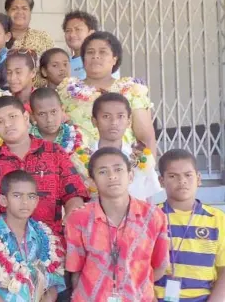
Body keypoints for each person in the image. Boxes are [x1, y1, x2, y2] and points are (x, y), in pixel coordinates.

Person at [0, 96, 88, 237]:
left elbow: (74, 193)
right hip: (6, 248)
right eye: (0, 122)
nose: (7, 124)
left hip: (52, 243)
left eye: (12, 117)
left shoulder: (54, 152)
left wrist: (72, 212)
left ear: (26, 117)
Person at [65, 147, 169, 301]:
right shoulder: (78, 218)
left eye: (118, 169)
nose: (112, 176)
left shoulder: (153, 217)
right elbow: (76, 270)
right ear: (91, 181)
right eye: (103, 172)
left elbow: (159, 266)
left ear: (131, 175)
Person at [0, 170, 66, 302]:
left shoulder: (45, 237)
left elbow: (52, 285)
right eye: (17, 196)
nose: (25, 202)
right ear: (3, 200)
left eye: (31, 196)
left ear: (37, 201)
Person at [57, 31, 156, 153]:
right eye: (90, 52)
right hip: (74, 166)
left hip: (121, 166)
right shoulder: (67, 90)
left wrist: (147, 170)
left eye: (102, 52)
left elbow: (146, 139)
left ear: (114, 59)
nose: (95, 56)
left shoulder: (131, 90)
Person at [154, 149, 225, 302]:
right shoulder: (151, 217)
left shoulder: (216, 219)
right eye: (173, 176)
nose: (182, 181)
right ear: (161, 181)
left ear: (198, 178)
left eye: (188, 175)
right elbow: (139, 268)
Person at [90, 92, 162, 201]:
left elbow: (148, 198)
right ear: (94, 121)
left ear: (129, 121)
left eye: (120, 116)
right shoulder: (82, 159)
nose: (114, 122)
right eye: (106, 116)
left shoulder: (141, 158)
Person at [28, 88, 92, 192]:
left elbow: (87, 172)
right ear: (33, 116)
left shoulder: (76, 136)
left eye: (53, 112)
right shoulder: (27, 141)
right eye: (42, 114)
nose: (49, 119)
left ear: (62, 110)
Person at [5, 0, 54, 87]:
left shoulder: (43, 38)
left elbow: (53, 67)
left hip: (39, 95)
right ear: (7, 12)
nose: (19, 12)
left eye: (24, 8)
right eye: (14, 8)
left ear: (30, 12)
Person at [63, 10, 120, 80]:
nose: (72, 35)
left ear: (91, 33)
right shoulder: (63, 62)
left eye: (78, 29)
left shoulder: (103, 60)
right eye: (68, 30)